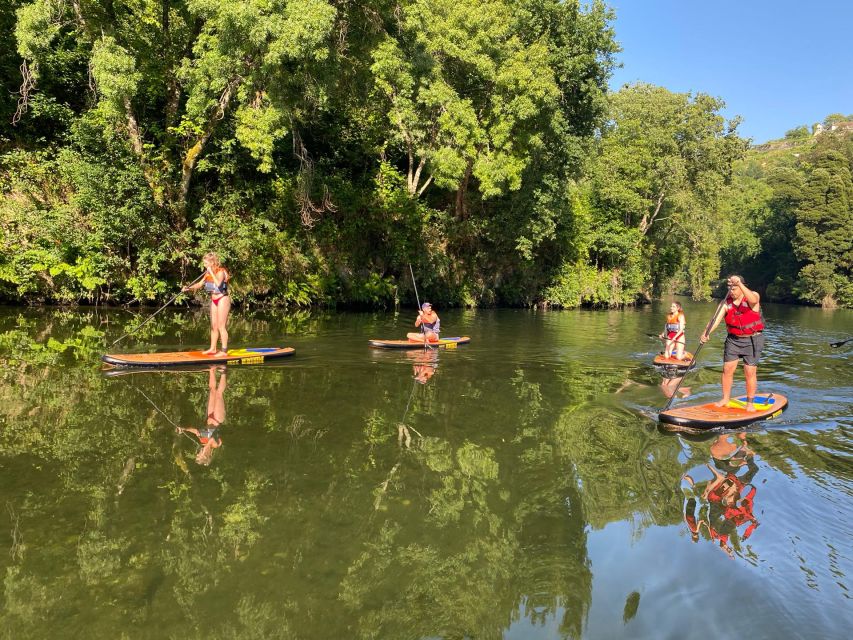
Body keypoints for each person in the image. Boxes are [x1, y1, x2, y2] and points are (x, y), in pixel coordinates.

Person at [699, 275, 765, 412]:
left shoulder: (753, 297)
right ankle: (725, 398)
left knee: (749, 371)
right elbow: (715, 320)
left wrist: (739, 283)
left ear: (742, 287)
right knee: (727, 369)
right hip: (733, 340)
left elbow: (753, 299)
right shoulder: (725, 303)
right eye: (729, 288)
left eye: (734, 288)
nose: (731, 291)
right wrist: (706, 333)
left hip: (752, 339)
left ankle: (750, 403)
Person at [176, 367, 227, 466]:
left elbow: (196, 431)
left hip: (210, 416)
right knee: (219, 394)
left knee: (212, 390)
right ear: (206, 456)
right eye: (199, 455)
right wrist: (206, 448)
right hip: (217, 419)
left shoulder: (202, 440)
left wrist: (184, 429)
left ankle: (212, 370)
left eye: (198, 454)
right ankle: (224, 372)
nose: (198, 453)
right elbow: (212, 437)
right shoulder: (216, 445)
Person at [184, 252, 230, 356]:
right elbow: (200, 284)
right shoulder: (207, 273)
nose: (204, 265)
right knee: (214, 326)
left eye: (206, 263)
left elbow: (218, 284)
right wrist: (188, 288)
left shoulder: (221, 271)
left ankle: (224, 351)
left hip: (222, 298)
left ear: (212, 263)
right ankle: (213, 349)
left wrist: (211, 272)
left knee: (221, 326)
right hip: (214, 300)